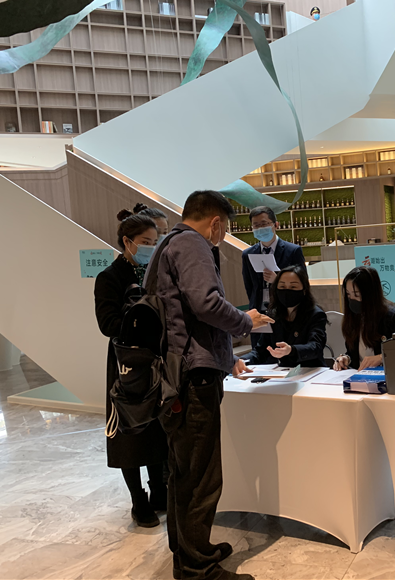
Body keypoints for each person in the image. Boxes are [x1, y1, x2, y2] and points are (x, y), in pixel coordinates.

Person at [145, 190, 271, 580]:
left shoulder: (167, 244)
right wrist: (246, 321)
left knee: (183, 472)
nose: (222, 236)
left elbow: (185, 317)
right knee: (201, 477)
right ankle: (197, 569)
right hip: (193, 381)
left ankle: (188, 552)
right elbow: (207, 304)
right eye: (225, 229)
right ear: (215, 223)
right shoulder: (193, 244)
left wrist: (225, 355)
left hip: (177, 375)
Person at [94, 210, 167, 528]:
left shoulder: (156, 272)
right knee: (129, 431)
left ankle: (159, 490)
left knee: (156, 427)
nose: (151, 247)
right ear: (127, 241)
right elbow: (107, 324)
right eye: (146, 242)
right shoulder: (110, 277)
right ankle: (138, 500)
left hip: (155, 359)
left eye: (155, 241)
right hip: (126, 365)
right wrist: (138, 314)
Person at [241, 206, 304, 347]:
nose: (260, 228)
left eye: (264, 224)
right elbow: (249, 286)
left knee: (283, 351)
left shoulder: (293, 251)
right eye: (256, 225)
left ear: (276, 225)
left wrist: (278, 280)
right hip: (259, 312)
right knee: (259, 351)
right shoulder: (248, 254)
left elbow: (303, 282)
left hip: (285, 311)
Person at [244, 265, 327, 368]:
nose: (287, 291)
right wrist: (242, 361)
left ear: (304, 289)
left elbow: (316, 347)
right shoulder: (273, 314)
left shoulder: (316, 314)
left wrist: (291, 350)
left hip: (311, 370)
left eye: (293, 287)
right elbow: (261, 350)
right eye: (282, 287)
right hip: (283, 372)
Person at [333, 266, 395, 371]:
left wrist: (381, 358)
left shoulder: (393, 317)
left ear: (370, 294)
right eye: (348, 295)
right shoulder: (353, 317)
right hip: (358, 376)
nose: (352, 299)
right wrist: (346, 358)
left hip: (387, 376)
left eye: (356, 294)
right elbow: (354, 353)